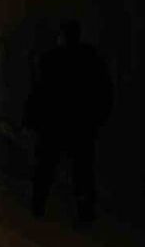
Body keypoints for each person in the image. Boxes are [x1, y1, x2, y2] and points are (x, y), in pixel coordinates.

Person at [26, 20, 111, 222]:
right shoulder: (90, 59)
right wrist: (99, 118)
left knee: (46, 167)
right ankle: (85, 214)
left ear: (61, 37)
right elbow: (104, 90)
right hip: (81, 125)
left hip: (53, 125)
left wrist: (30, 120)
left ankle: (37, 209)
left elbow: (39, 92)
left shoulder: (51, 60)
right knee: (82, 171)